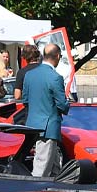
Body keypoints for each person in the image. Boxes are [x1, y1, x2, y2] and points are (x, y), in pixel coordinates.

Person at [22, 43, 70, 177]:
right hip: (49, 127)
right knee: (41, 168)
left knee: (54, 166)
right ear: (58, 56)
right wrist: (68, 105)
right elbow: (62, 104)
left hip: (32, 124)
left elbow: (25, 100)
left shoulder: (29, 75)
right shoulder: (55, 77)